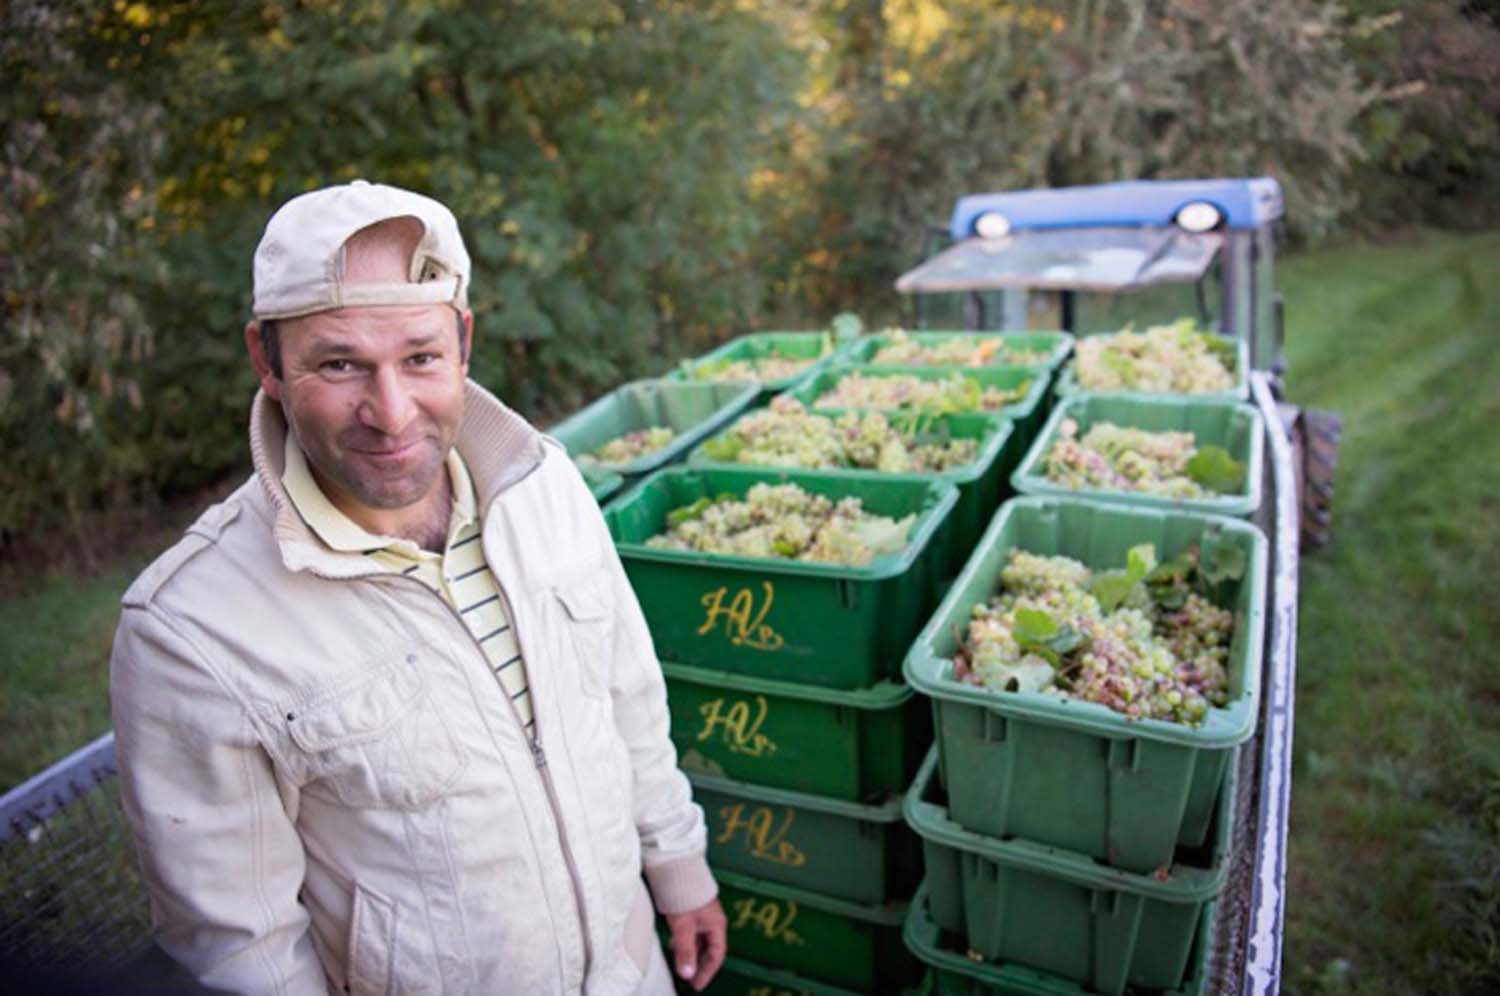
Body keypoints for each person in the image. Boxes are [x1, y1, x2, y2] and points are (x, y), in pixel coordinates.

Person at [109, 180, 727, 996]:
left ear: (463, 341)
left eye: (420, 357)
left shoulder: (542, 486)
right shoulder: (191, 629)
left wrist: (678, 866)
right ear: (267, 360)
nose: (391, 412)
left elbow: (626, 696)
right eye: (339, 364)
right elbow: (241, 948)